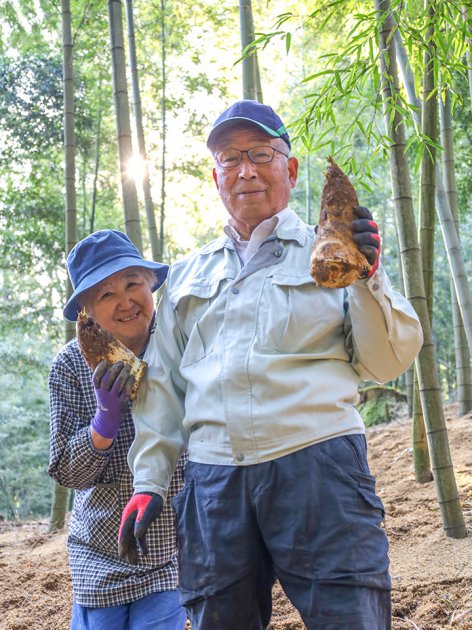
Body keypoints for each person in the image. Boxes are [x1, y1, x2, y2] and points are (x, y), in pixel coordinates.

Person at [118, 100, 424, 630]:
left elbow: (387, 360)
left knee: (349, 617)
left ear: (291, 168)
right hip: (213, 480)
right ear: (214, 177)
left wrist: (367, 275)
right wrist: (148, 480)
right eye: (230, 157)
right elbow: (162, 386)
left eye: (261, 153)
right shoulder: (189, 275)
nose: (245, 169)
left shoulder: (332, 250)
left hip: (318, 466)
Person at [48, 229, 187, 630]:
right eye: (107, 294)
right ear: (86, 310)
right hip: (100, 547)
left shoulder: (180, 342)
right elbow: (67, 472)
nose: (126, 301)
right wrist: (103, 421)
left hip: (170, 545)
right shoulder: (70, 366)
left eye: (132, 284)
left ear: (151, 285)